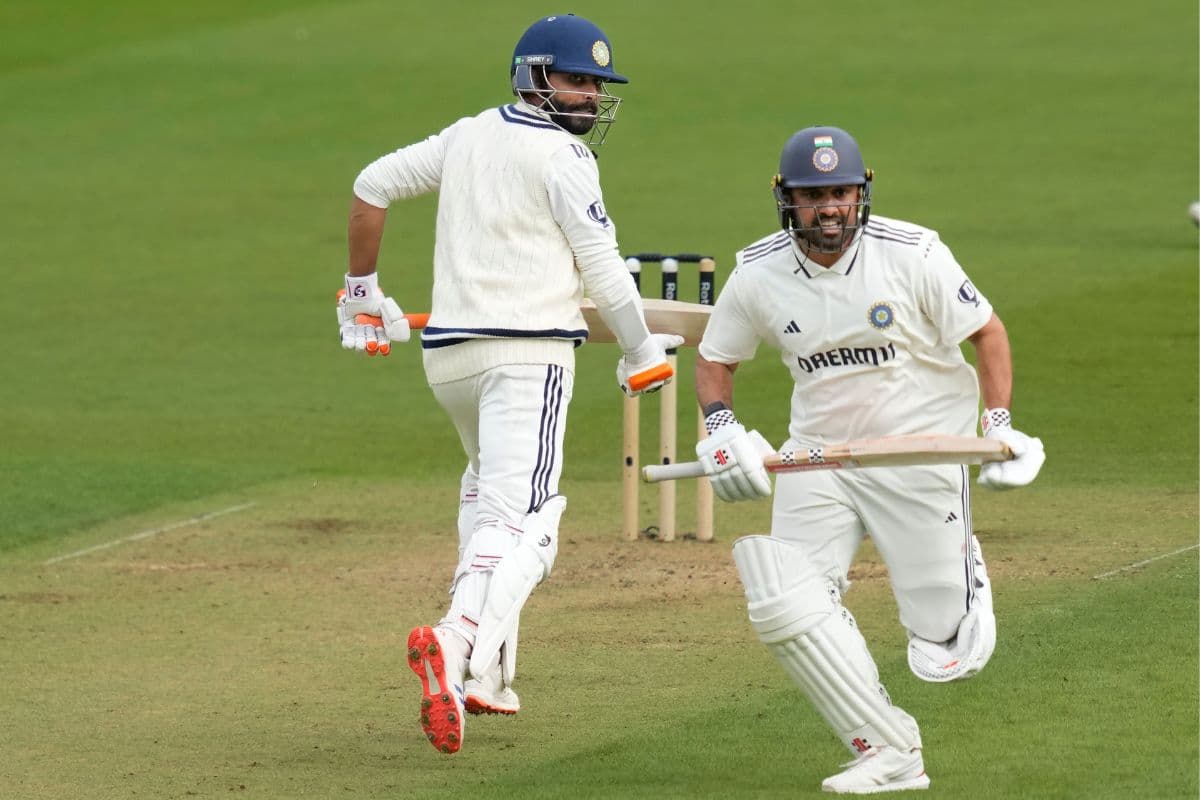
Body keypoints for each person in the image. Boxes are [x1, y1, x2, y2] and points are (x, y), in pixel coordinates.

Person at [335, 14, 681, 754]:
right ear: (534, 77)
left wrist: (359, 292)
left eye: (595, 83)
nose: (589, 95)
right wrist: (642, 349)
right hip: (528, 357)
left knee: (485, 498)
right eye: (576, 79)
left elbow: (371, 186)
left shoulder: (466, 135)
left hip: (450, 360)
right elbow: (605, 269)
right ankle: (455, 642)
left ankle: (488, 677)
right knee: (533, 522)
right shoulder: (563, 159)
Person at [692, 125, 1045, 794]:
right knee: (780, 599)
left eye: (841, 193)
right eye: (812, 195)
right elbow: (715, 359)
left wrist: (998, 426)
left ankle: (959, 573)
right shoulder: (759, 270)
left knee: (943, 653)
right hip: (817, 457)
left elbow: (987, 334)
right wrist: (722, 428)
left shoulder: (914, 254)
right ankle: (889, 749)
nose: (829, 208)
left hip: (917, 454)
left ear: (862, 194)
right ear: (786, 200)